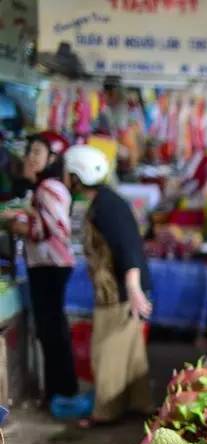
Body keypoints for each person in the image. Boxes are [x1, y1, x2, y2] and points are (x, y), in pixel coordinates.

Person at [63, 145, 153, 425]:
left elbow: (127, 248)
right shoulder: (105, 201)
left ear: (78, 176)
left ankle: (105, 412)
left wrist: (133, 288)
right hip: (118, 288)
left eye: (68, 173)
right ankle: (139, 404)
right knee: (130, 351)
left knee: (107, 351)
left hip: (118, 291)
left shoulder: (106, 207)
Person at [0, 132, 87, 415]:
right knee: (52, 330)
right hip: (48, 266)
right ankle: (60, 392)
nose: (30, 158)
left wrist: (14, 225)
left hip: (51, 266)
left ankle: (60, 393)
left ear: (52, 158)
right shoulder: (45, 186)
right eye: (30, 152)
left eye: (37, 152)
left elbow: (52, 230)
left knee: (53, 331)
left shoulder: (49, 187)